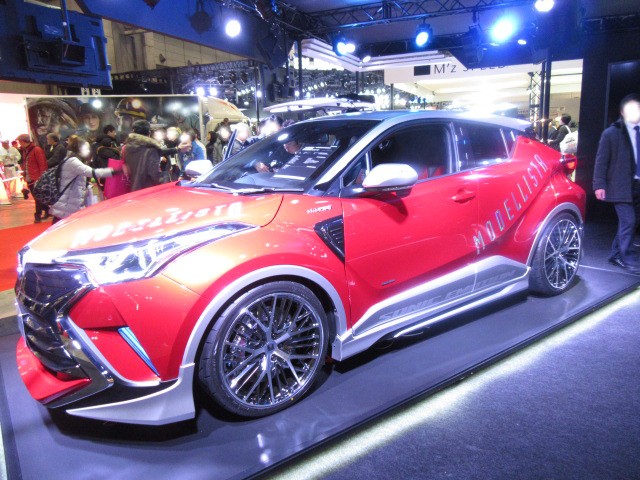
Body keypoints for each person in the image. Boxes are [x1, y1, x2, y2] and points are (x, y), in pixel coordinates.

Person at [593, 93, 640, 275]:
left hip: (638, 185)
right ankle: (625, 256)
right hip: (621, 185)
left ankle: (615, 254)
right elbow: (601, 160)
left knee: (631, 222)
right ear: (622, 112)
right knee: (629, 221)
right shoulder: (611, 133)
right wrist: (599, 184)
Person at [49, 135, 120, 224]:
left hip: (70, 202)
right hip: (67, 204)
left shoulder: (74, 159)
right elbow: (92, 172)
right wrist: (115, 171)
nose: (88, 151)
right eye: (85, 148)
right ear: (78, 149)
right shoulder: (73, 161)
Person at [123, 120, 163, 191]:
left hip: (133, 188)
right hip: (148, 190)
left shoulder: (127, 148)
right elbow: (154, 174)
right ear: (149, 132)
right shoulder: (151, 149)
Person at [17, 134, 48, 222]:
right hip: (30, 178)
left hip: (36, 178)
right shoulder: (25, 150)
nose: (19, 144)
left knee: (38, 198)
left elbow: (42, 164)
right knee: (37, 198)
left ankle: (37, 216)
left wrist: (42, 178)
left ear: (23, 141)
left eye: (19, 142)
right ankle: (47, 210)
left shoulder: (36, 150)